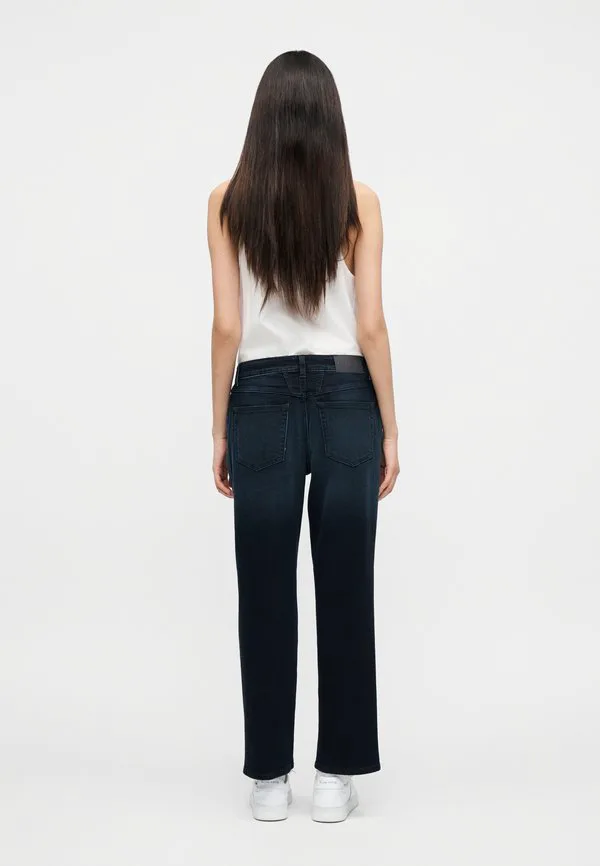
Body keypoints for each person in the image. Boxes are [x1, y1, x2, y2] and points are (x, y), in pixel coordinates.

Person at [207, 50, 399, 823]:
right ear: (331, 118)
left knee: (263, 590)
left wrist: (218, 425)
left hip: (260, 400)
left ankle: (267, 779)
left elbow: (227, 326)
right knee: (346, 589)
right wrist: (391, 426)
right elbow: (371, 324)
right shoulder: (360, 201)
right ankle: (335, 778)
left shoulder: (227, 203)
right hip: (349, 397)